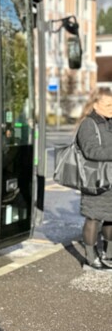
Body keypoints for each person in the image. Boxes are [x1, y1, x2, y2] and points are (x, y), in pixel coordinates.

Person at [74, 88, 112, 269]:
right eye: (108, 104)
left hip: (110, 179)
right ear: (95, 105)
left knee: (110, 217)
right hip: (95, 180)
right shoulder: (88, 124)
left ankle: (109, 254)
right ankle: (90, 257)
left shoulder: (109, 122)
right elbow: (91, 151)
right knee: (93, 218)